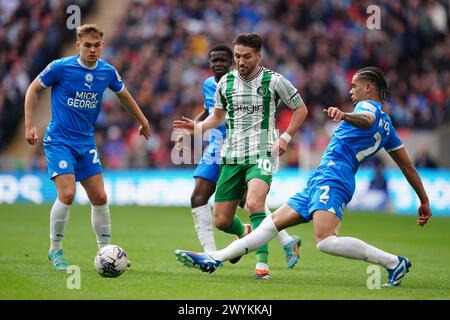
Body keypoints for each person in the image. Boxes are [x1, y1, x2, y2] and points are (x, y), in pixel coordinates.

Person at [175, 66, 432, 287]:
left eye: (354, 86)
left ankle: (393, 262)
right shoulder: (388, 127)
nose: (350, 91)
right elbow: (408, 167)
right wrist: (424, 200)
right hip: (323, 177)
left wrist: (345, 116)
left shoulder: (367, 108)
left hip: (335, 176)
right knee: (270, 224)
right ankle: (214, 259)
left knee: (326, 241)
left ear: (369, 88)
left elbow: (365, 119)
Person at [174, 33, 308, 280]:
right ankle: (248, 231)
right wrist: (198, 128)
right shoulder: (225, 83)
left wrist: (285, 137)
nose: (241, 61)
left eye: (247, 56)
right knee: (222, 221)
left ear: (258, 55)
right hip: (232, 155)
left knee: (255, 203)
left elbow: (300, 109)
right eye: (237, 56)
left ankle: (262, 267)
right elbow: (217, 117)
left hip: (262, 153)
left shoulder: (274, 80)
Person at [24, 24, 151, 271]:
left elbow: (124, 96)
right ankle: (55, 250)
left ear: (102, 45)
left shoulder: (107, 72)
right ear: (78, 45)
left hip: (86, 143)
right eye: (88, 45)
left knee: (100, 197)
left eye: (97, 45)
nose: (92, 50)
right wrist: (29, 125)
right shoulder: (61, 67)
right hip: (59, 140)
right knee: (68, 193)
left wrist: (143, 121)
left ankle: (106, 252)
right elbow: (33, 89)